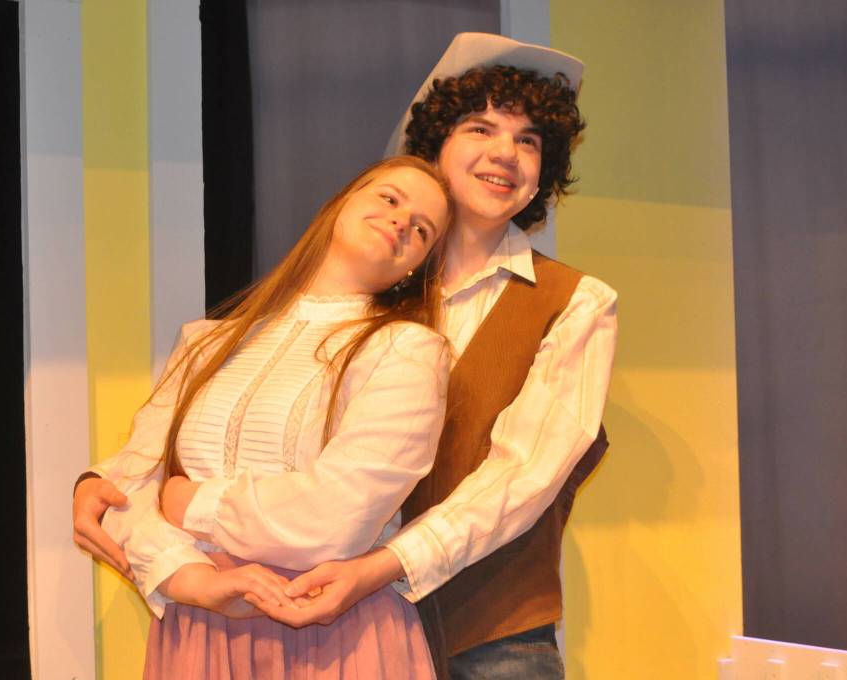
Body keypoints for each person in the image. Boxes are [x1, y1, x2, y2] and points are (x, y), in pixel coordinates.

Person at [245, 33, 618, 680]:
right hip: (350, 629)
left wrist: (384, 566)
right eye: (481, 128)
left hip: (495, 639)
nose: (505, 153)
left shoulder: (578, 302)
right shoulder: (366, 290)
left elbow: (525, 476)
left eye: (529, 140)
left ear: (544, 172)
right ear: (435, 147)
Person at [75, 155, 454, 678]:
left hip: (333, 632)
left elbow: (335, 518)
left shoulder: (410, 350)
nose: (401, 222)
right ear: (338, 205)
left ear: (416, 268)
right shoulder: (204, 343)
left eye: (422, 229)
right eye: (389, 198)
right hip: (199, 628)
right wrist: (191, 579)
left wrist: (192, 502)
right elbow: (131, 482)